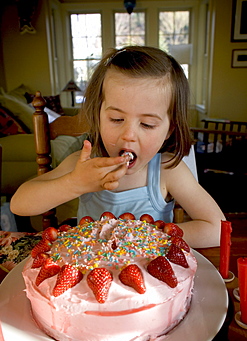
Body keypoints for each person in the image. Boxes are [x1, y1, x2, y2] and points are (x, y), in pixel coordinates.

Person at [10, 46, 225, 248]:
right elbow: (19, 204)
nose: (129, 135)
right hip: (90, 279)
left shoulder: (168, 170)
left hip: (149, 282)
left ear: (169, 130)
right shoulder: (84, 165)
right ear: (98, 117)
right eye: (116, 119)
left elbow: (217, 229)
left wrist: (147, 237)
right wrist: (74, 183)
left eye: (147, 124)